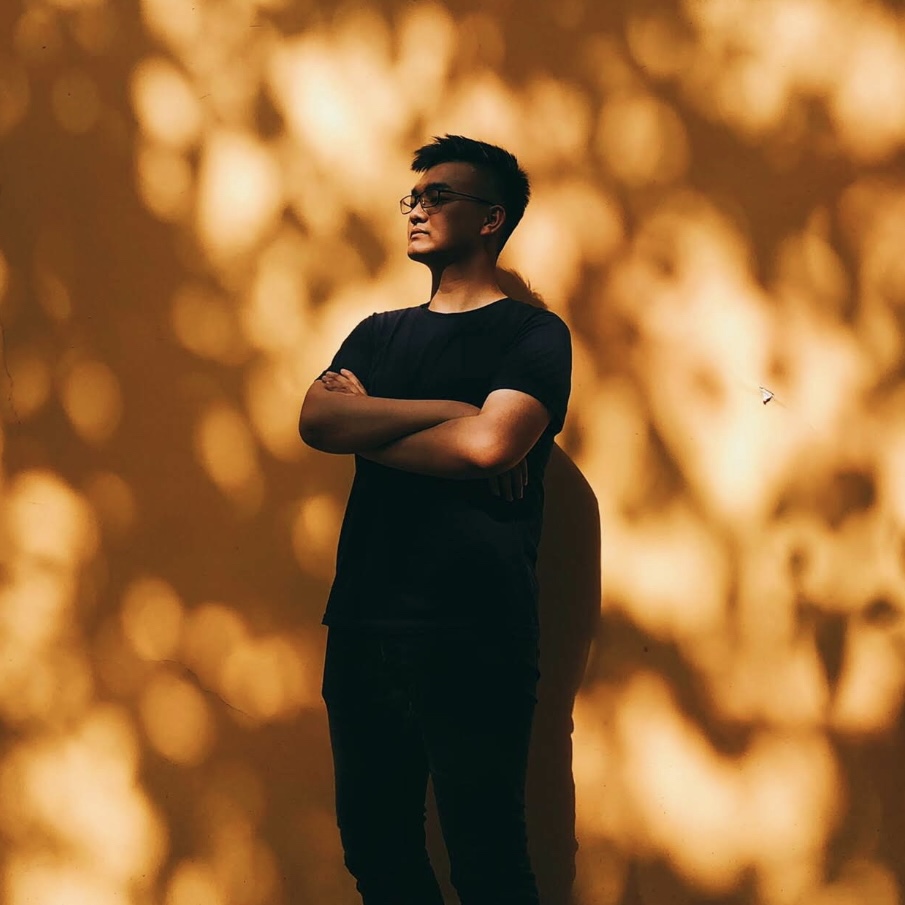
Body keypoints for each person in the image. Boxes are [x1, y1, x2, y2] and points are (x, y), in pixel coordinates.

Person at [299, 134, 572, 905]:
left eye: (438, 195)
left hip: (476, 632)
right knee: (376, 853)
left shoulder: (532, 334)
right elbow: (317, 420)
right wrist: (453, 409)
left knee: (488, 864)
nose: (416, 209)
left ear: (491, 218)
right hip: (365, 627)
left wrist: (374, 425)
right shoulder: (376, 333)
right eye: (412, 197)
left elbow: (490, 445)